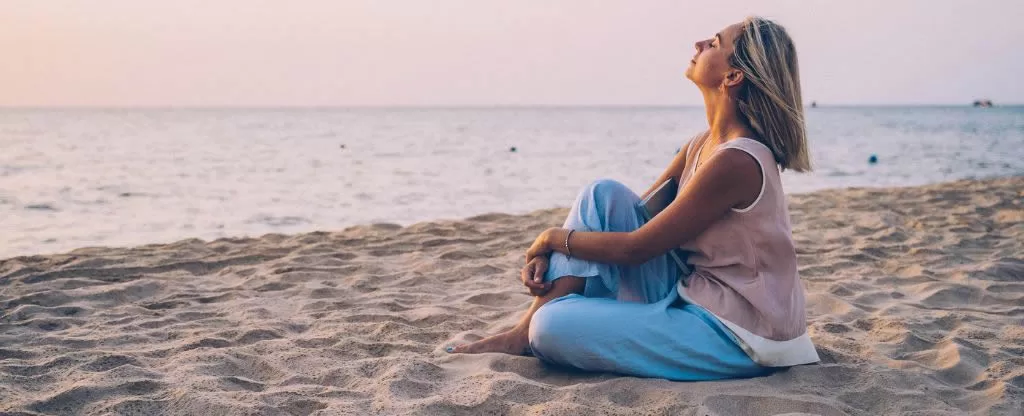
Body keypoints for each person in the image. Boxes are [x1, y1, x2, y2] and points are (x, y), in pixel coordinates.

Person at [447, 16, 820, 381]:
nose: (699, 44)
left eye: (715, 43)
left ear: (733, 76)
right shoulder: (700, 145)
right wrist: (559, 252)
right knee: (601, 195)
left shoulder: (738, 160)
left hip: (741, 333)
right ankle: (522, 332)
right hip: (696, 294)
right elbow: (628, 219)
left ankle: (535, 328)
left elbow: (635, 249)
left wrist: (549, 239)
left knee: (550, 327)